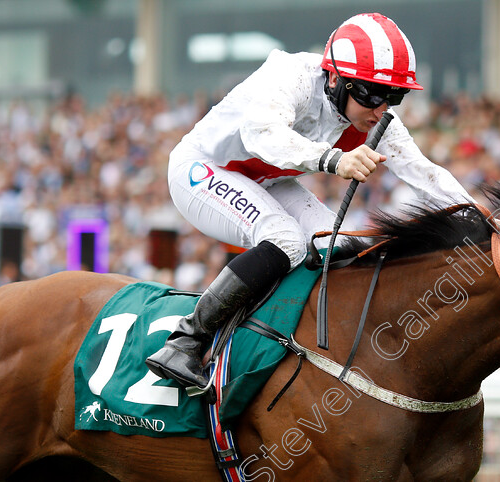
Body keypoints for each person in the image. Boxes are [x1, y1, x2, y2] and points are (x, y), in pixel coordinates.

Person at [146, 13, 474, 389]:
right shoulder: (294, 77)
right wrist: (334, 159)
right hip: (202, 169)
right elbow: (261, 134)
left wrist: (483, 217)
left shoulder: (375, 117)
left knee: (344, 245)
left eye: (393, 97)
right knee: (285, 238)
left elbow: (423, 172)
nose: (382, 109)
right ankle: (187, 340)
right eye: (371, 94)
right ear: (335, 78)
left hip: (265, 178)